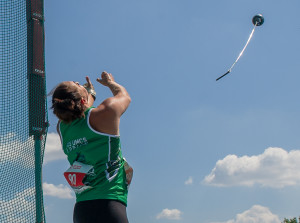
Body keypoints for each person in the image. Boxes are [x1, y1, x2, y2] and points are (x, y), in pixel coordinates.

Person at [51, 71, 132, 223]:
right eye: (77, 84)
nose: (78, 82)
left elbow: (80, 111)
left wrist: (90, 93)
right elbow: (125, 96)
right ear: (82, 100)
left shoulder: (61, 128)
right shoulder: (107, 111)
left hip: (82, 211)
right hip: (110, 206)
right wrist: (110, 83)